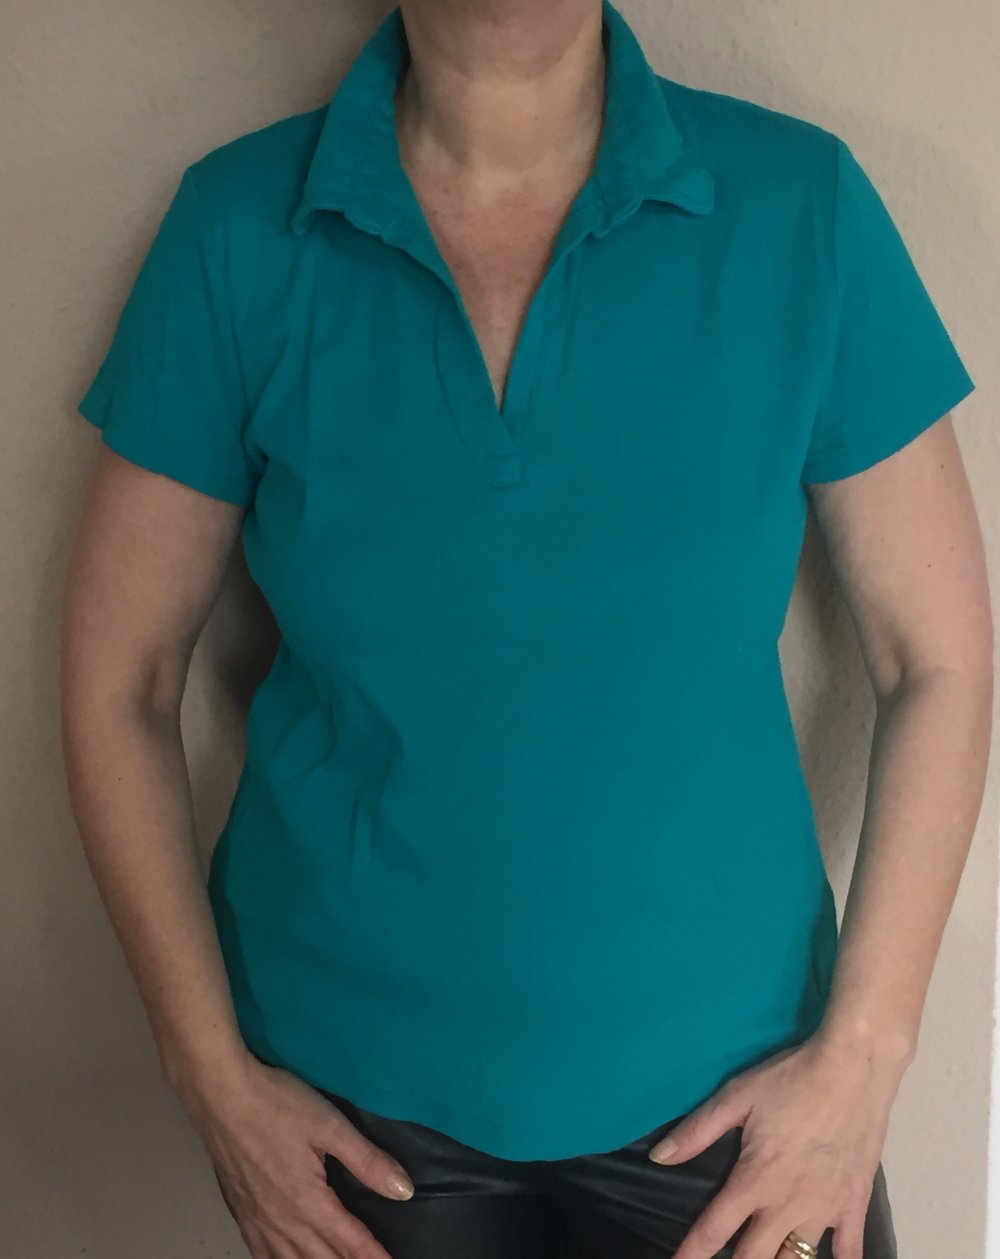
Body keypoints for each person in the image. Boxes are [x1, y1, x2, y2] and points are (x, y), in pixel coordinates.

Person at [60, 2, 992, 1257]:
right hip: (353, 1117)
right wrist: (210, 1075)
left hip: (741, 1101)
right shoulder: (238, 230)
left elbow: (936, 657)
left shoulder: (796, 209)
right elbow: (120, 679)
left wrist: (865, 1056)